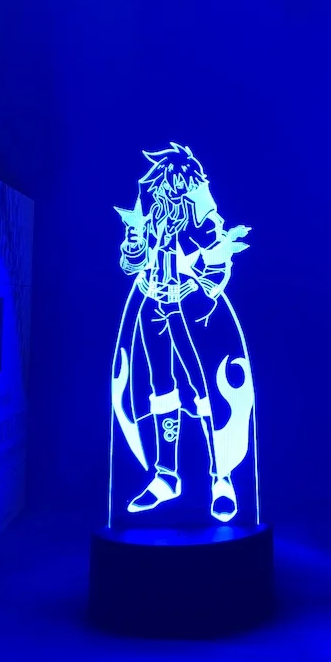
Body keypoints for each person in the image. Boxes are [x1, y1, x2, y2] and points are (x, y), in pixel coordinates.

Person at [110, 145, 254, 523]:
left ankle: (221, 478)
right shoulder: (150, 211)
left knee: (204, 387)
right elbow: (131, 263)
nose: (165, 189)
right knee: (160, 386)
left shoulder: (201, 214)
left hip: (190, 310)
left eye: (172, 183)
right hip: (152, 304)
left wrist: (202, 288)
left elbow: (219, 257)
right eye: (161, 183)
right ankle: (165, 476)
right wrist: (135, 248)